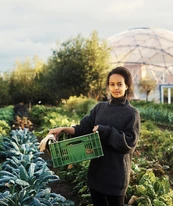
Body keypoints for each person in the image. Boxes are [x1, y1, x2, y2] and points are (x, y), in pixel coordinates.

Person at [39, 66, 140, 206]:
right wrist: (62, 129)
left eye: (119, 84)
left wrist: (106, 131)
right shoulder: (100, 108)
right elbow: (83, 128)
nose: (116, 88)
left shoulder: (131, 113)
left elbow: (130, 143)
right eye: (112, 84)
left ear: (127, 85)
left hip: (116, 176)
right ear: (108, 86)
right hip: (96, 174)